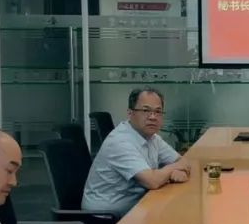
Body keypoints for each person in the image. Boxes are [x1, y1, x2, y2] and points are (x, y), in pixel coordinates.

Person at [82, 87, 192, 216]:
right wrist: (173, 168)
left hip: (135, 208)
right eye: (146, 110)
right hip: (104, 218)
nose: (153, 117)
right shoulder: (120, 141)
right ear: (130, 113)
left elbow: (182, 161)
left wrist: (178, 170)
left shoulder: (152, 137)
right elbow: (152, 181)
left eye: (158, 111)